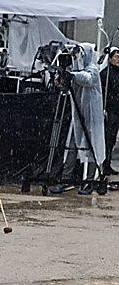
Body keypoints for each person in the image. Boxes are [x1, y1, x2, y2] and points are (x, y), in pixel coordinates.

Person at [51, 43, 106, 195]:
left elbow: (87, 79)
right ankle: (66, 179)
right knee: (72, 146)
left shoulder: (92, 69)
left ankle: (89, 180)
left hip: (92, 118)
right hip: (78, 115)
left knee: (92, 147)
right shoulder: (76, 71)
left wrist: (72, 75)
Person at [100, 46, 119, 176]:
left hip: (117, 109)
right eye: (116, 57)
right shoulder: (105, 74)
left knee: (112, 138)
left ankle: (108, 163)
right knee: (108, 138)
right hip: (110, 110)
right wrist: (103, 108)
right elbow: (102, 93)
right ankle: (104, 163)